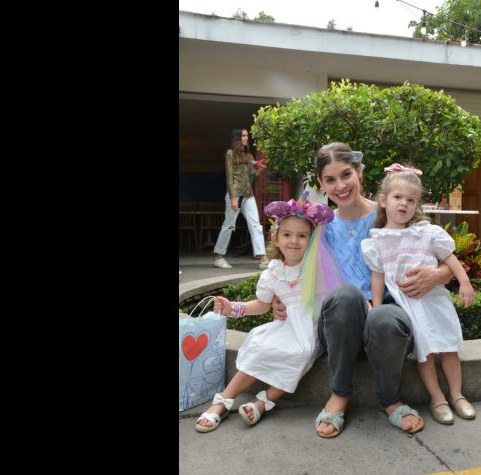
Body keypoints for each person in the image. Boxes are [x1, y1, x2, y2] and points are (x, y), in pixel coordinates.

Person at [271, 142, 457, 438]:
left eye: (346, 174)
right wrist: (278, 299)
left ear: (359, 171)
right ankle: (339, 394)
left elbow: (444, 252)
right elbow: (291, 269)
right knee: (346, 296)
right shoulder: (321, 227)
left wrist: (438, 274)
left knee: (383, 317)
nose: (340, 186)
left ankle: (390, 399)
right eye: (330, 179)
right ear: (321, 183)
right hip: (340, 326)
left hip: (389, 327)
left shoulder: (391, 212)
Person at [195, 194, 335, 433]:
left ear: (312, 240)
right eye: (287, 234)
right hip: (286, 326)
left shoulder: (317, 268)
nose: (294, 241)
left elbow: (330, 299)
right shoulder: (273, 273)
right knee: (260, 346)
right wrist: (233, 308)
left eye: (302, 236)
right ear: (276, 238)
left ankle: (263, 402)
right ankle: (224, 399)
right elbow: (262, 304)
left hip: (311, 329)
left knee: (300, 353)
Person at [361, 164, 476, 425]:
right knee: (425, 353)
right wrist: (376, 308)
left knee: (449, 347)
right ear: (383, 200)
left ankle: (457, 395)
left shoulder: (426, 232)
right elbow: (377, 277)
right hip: (410, 305)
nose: (404, 204)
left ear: (417, 205)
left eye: (411, 200)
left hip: (435, 300)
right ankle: (438, 398)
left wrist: (464, 282)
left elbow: (450, 257)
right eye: (398, 197)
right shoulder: (377, 241)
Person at [211, 128, 269, 270]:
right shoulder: (230, 153)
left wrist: (259, 169)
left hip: (248, 194)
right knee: (229, 225)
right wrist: (232, 198)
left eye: (247, 135)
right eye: (243, 135)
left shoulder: (249, 155)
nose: (246, 138)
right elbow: (229, 176)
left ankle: (263, 258)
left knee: (255, 224)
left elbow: (251, 176)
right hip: (235, 193)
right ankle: (218, 257)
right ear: (238, 138)